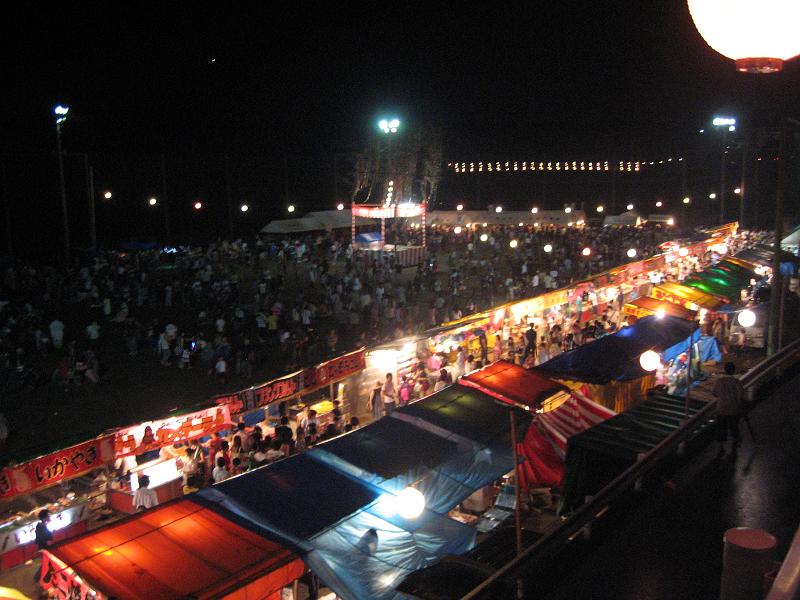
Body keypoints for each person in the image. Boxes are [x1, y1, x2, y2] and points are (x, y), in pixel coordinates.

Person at [713, 362, 745, 457]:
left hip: (721, 409)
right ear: (733, 370)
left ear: (725, 370)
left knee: (721, 428)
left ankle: (721, 447)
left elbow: (714, 393)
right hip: (733, 409)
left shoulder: (720, 381)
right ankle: (735, 444)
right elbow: (740, 396)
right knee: (734, 427)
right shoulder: (737, 382)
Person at [33, 509, 53, 582]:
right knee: (47, 564)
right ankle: (38, 578)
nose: (50, 517)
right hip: (45, 549)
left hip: (42, 548)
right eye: (49, 515)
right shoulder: (43, 528)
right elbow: (48, 542)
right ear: (45, 517)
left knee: (46, 564)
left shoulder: (40, 526)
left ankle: (39, 578)